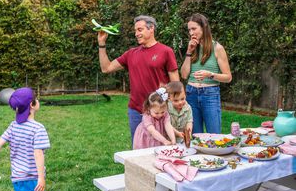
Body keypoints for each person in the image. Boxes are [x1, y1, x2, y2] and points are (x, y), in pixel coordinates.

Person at [97, 15, 179, 144]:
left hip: (159, 111)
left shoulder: (166, 51)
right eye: (135, 31)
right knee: (138, 147)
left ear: (151, 28)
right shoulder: (131, 54)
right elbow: (106, 68)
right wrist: (102, 44)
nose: (136, 34)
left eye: (139, 30)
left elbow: (175, 84)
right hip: (136, 110)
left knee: (161, 147)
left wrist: (173, 107)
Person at [0, 87, 50, 191]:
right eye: (36, 99)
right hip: (32, 179)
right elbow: (38, 154)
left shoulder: (13, 125)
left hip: (16, 178)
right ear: (32, 105)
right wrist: (41, 178)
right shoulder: (38, 128)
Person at [181, 13, 232, 134]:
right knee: (195, 136)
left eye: (194, 29)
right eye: (189, 30)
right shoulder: (192, 48)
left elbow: (228, 77)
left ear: (203, 27)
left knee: (214, 136)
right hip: (191, 93)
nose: (191, 33)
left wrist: (210, 74)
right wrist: (189, 52)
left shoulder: (217, 48)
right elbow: (183, 75)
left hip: (210, 95)